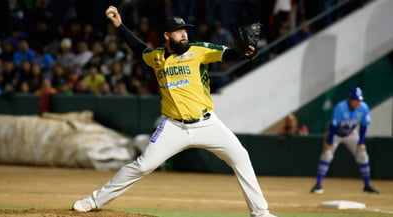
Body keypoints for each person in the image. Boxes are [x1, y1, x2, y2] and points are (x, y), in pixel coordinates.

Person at [72, 6, 277, 217]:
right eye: (179, 31)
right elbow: (138, 48)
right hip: (173, 126)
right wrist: (119, 25)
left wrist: (247, 53)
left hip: (207, 123)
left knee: (241, 156)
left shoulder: (199, 51)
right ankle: (93, 201)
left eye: (185, 31)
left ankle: (261, 213)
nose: (184, 34)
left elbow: (231, 54)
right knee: (143, 166)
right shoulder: (157, 57)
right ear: (167, 35)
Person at [310, 87, 379, 194]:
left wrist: (360, 143)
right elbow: (333, 125)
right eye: (355, 100)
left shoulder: (364, 108)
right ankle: (318, 184)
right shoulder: (340, 107)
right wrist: (329, 143)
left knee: (362, 155)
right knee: (327, 154)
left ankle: (367, 186)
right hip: (335, 134)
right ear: (350, 99)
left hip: (351, 133)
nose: (357, 102)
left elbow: (364, 126)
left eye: (359, 100)